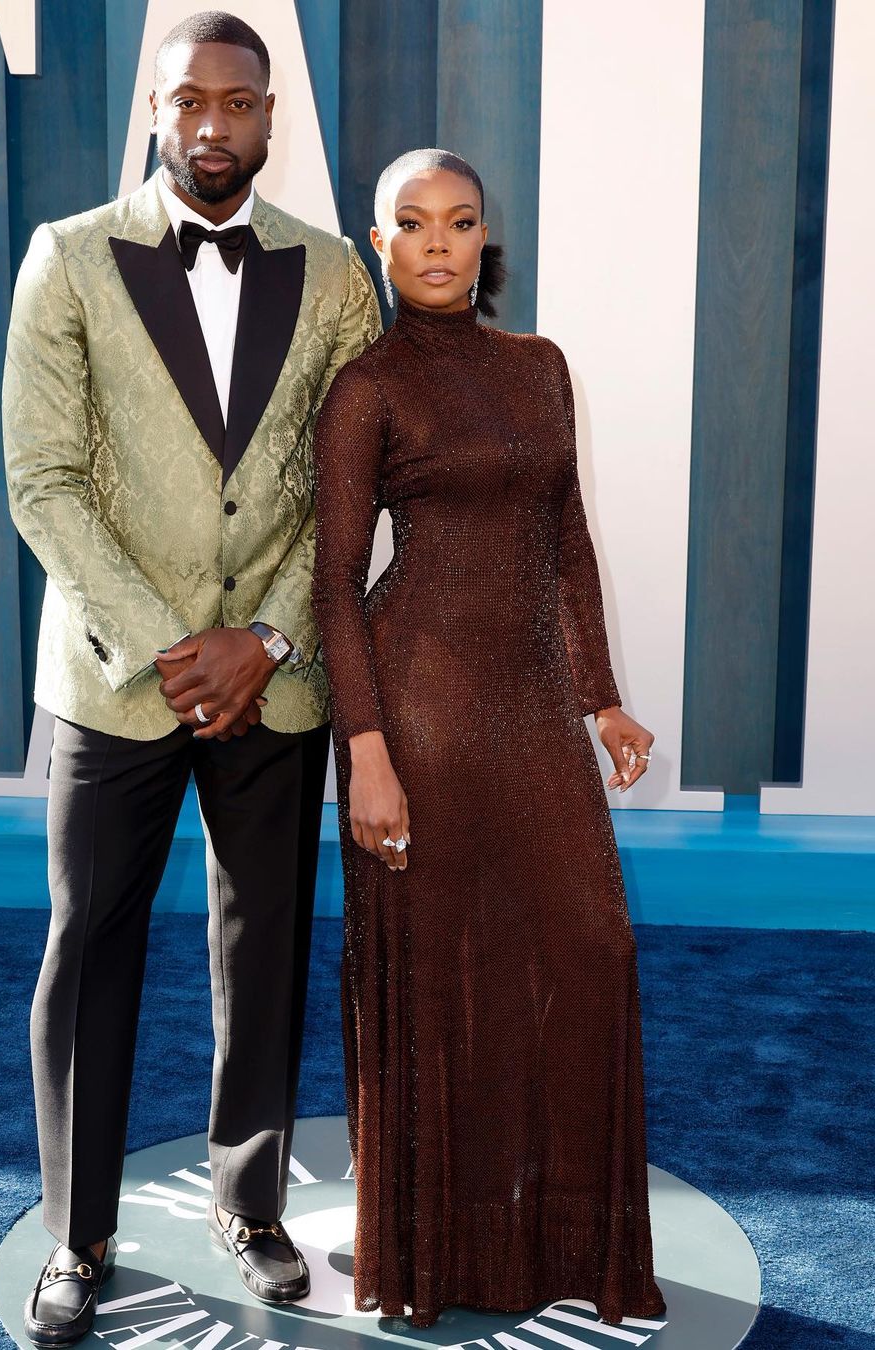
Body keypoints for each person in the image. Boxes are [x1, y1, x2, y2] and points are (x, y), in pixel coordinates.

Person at [2, 12, 380, 1346]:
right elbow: (44, 480)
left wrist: (264, 638)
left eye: (238, 101)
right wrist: (176, 645)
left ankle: (250, 1205)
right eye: (188, 101)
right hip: (117, 680)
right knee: (88, 946)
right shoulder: (67, 258)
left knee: (263, 942)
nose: (212, 125)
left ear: (270, 114)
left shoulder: (335, 275)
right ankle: (78, 1235)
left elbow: (350, 492)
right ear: (155, 111)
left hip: (277, 679)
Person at [311, 148, 666, 1328]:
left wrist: (599, 698)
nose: (438, 243)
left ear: (483, 239)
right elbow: (334, 583)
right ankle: (438, 1258)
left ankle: (560, 1247)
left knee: (588, 949)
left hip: (530, 703)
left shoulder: (539, 367)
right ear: (379, 244)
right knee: (439, 976)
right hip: (417, 708)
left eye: (459, 223)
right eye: (412, 224)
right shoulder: (366, 389)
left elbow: (566, 537)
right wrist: (365, 750)